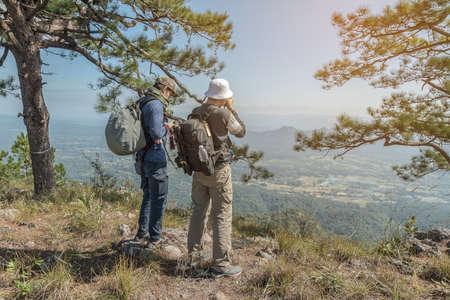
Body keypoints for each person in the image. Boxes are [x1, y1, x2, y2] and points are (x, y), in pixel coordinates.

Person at [187, 78, 246, 278]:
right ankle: (221, 264)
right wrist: (232, 108)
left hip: (198, 170)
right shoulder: (223, 113)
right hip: (219, 171)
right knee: (221, 214)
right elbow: (241, 132)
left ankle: (193, 258)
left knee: (198, 212)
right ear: (224, 96)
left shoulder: (196, 111)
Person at [134, 77, 176, 245]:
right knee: (159, 198)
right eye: (170, 92)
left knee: (148, 196)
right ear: (165, 89)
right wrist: (168, 127)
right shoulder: (156, 104)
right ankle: (155, 238)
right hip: (154, 158)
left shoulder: (143, 101)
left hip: (142, 156)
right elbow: (157, 134)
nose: (170, 96)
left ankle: (141, 233)